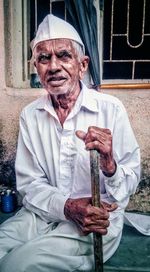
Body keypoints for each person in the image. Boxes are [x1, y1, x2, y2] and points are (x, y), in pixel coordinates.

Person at [0, 14, 140, 272]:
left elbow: (128, 183)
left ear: (83, 65)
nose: (53, 66)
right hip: (43, 212)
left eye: (63, 56)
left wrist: (109, 164)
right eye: (44, 58)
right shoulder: (31, 115)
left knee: (18, 265)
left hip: (97, 220)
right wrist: (66, 206)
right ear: (36, 68)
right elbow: (30, 184)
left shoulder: (111, 110)